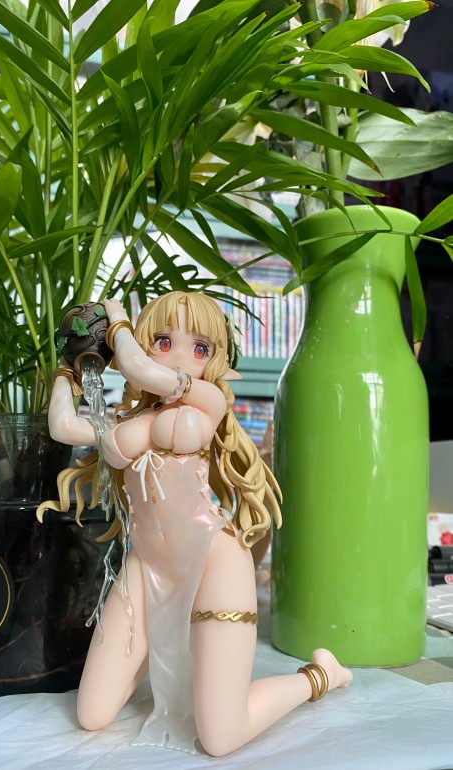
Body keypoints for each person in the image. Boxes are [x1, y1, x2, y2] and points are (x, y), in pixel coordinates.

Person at [36, 291, 352, 757]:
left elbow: (140, 369)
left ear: (214, 359)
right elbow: (63, 426)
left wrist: (118, 322)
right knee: (92, 714)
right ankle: (170, 654)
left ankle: (320, 675)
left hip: (212, 562)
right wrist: (69, 370)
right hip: (148, 565)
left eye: (199, 348)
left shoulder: (206, 400)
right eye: (163, 341)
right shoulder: (131, 418)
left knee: (220, 737)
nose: (181, 356)